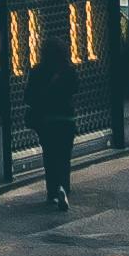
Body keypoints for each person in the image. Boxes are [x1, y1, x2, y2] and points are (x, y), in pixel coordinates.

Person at [23, 37, 80, 211]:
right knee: (64, 156)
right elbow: (75, 90)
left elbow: (28, 96)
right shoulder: (70, 71)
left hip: (47, 121)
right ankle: (63, 187)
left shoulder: (37, 71)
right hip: (66, 120)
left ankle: (52, 192)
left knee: (50, 155)